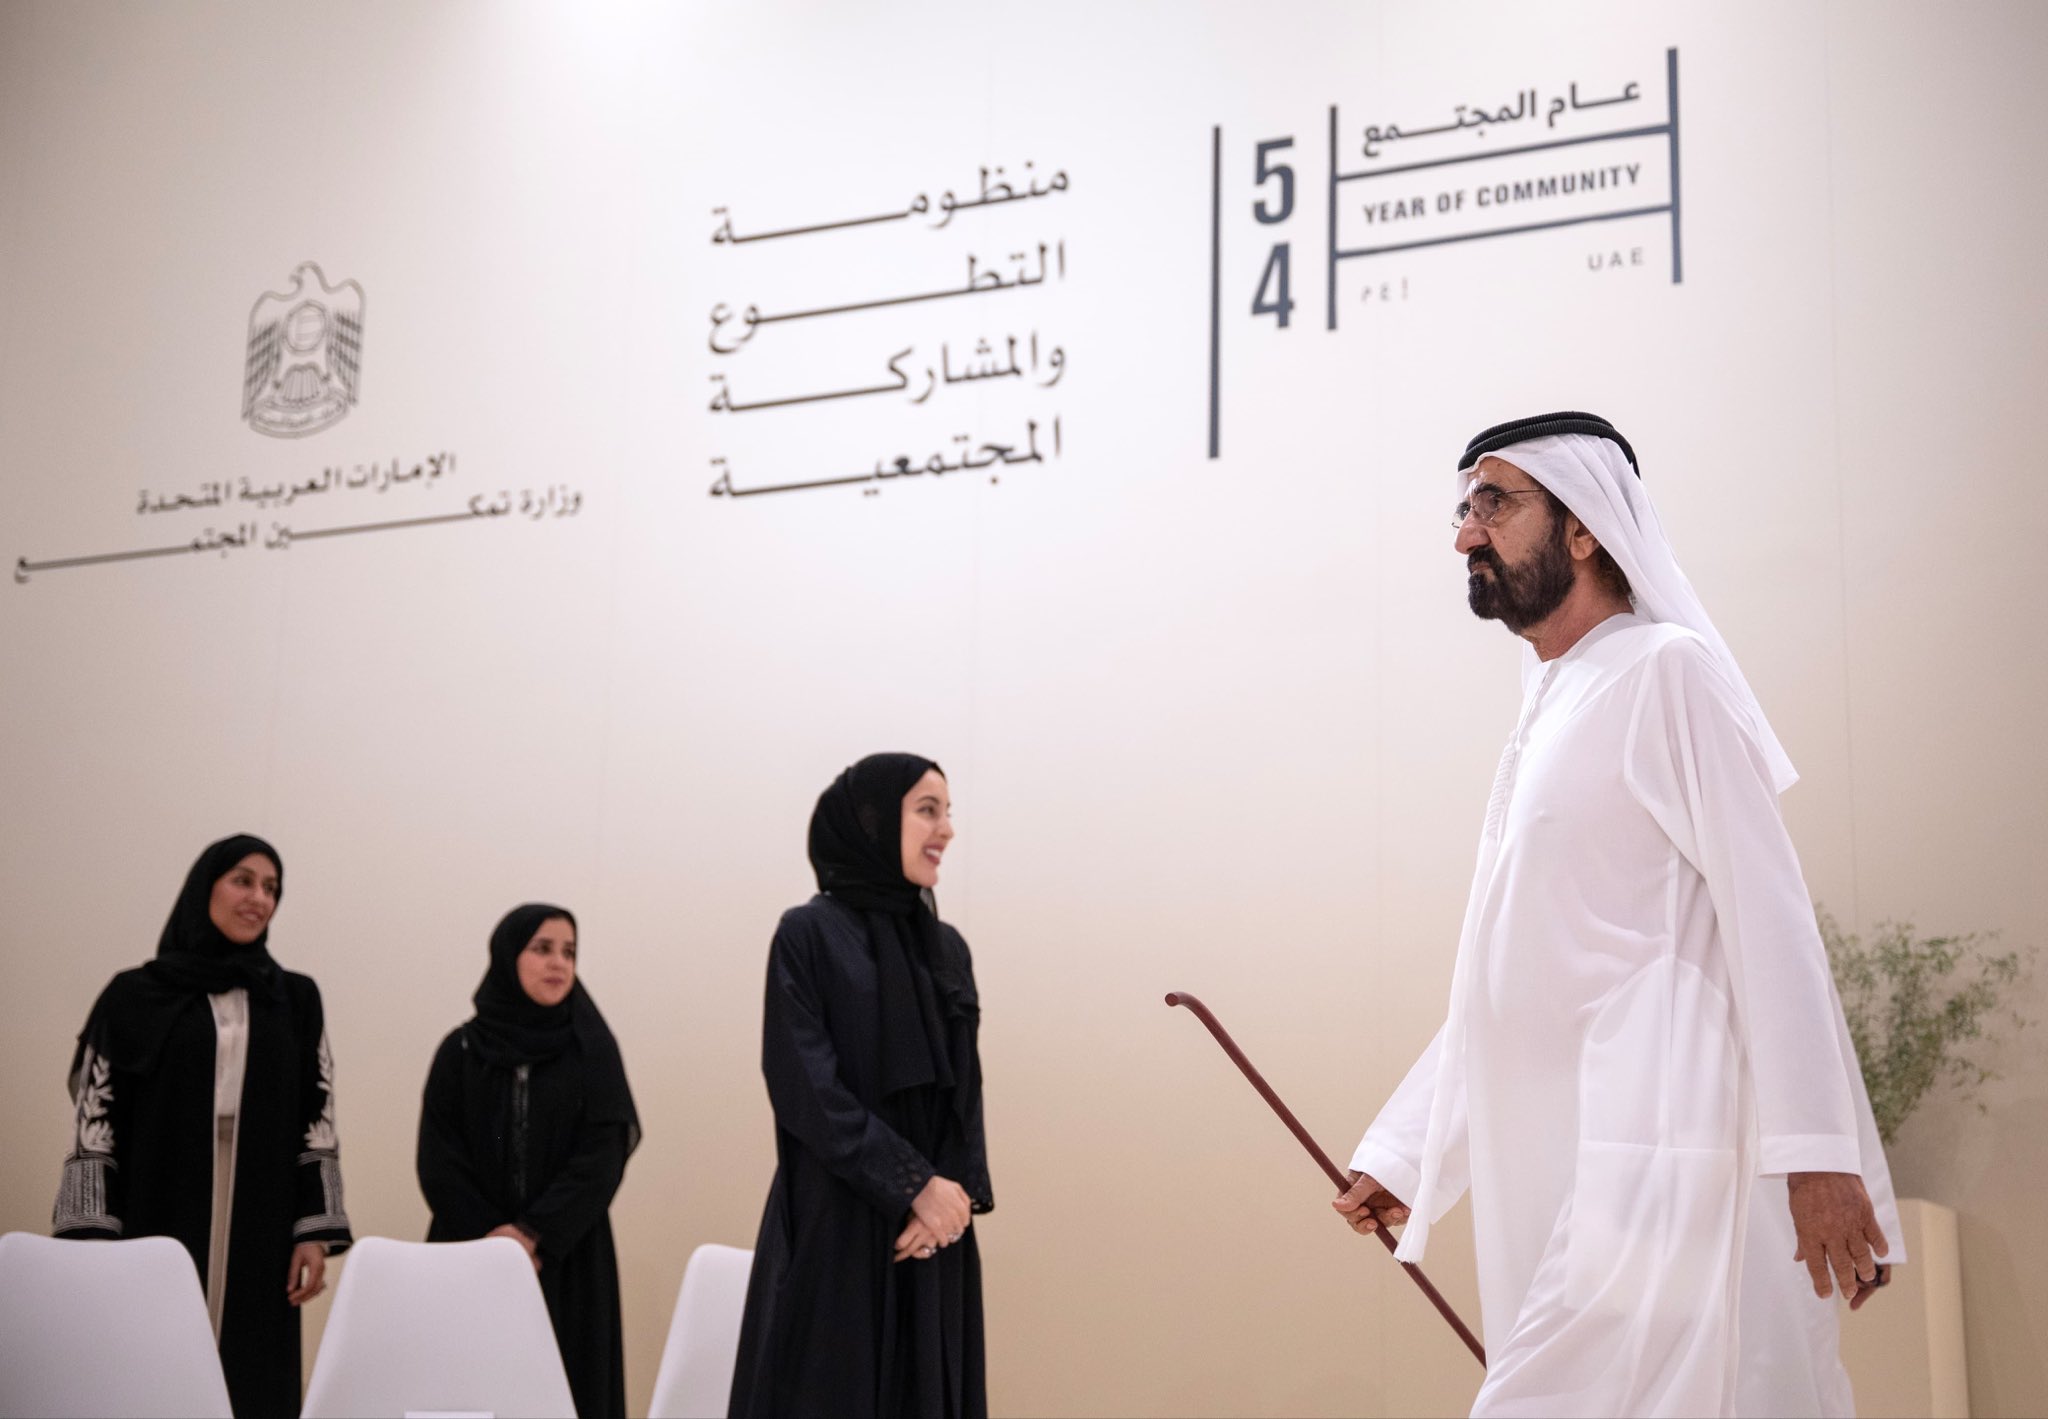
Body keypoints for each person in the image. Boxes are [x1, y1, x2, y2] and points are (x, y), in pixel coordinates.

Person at [1332, 414, 1902, 1417]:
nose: (1465, 535)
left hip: (1658, 1150)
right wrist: (1413, 1149)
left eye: (1493, 504)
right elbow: (1517, 975)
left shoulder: (1664, 671)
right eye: (1461, 510)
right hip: (1569, 1164)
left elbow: (1769, 917)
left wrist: (1818, 1154)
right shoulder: (1550, 706)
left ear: (1584, 525)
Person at [729, 753, 994, 1419]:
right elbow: (806, 1086)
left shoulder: (948, 949)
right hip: (838, 1219)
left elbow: (965, 1096)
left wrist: (951, 1199)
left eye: (948, 812)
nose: (947, 829)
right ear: (873, 820)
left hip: (933, 1231)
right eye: (927, 810)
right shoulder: (808, 934)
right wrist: (912, 1183)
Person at [55, 833, 351, 1419]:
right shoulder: (135, 994)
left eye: (271, 888)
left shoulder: (293, 998)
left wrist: (312, 1231)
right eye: (243, 881)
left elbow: (318, 1116)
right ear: (203, 889)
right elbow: (96, 1114)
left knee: (251, 1374)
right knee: (150, 1368)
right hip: (158, 1200)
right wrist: (94, 1239)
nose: (259, 899)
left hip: (263, 1214)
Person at [416, 903, 640, 1419]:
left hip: (567, 1256)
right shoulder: (461, 1050)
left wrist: (534, 1234)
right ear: (507, 956)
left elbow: (603, 1156)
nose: (559, 963)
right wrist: (496, 1242)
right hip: (470, 1254)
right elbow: (439, 1159)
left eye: (569, 952)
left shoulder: (592, 1052)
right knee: (470, 1390)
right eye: (542, 949)